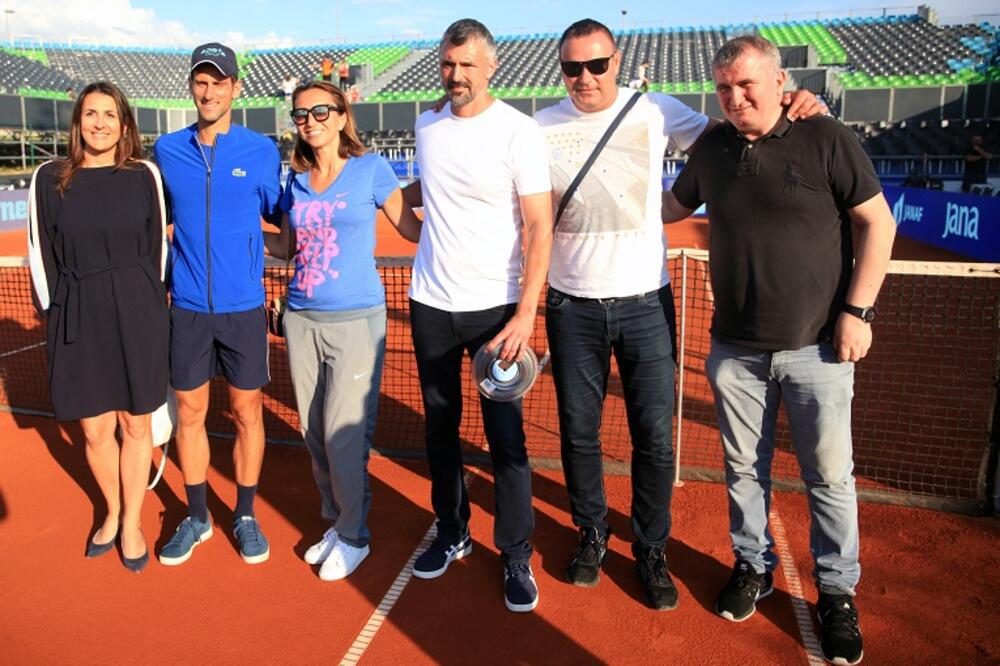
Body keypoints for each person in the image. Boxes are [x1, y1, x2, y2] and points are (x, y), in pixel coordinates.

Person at [534, 18, 826, 611]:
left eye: (595, 65)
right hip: (571, 303)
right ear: (559, 68)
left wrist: (795, 106)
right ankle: (592, 532)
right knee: (578, 432)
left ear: (616, 62)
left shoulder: (657, 110)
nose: (584, 78)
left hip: (645, 301)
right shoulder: (538, 126)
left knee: (655, 436)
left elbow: (738, 132)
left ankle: (650, 546)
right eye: (571, 67)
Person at [663, 35, 896, 665]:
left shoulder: (824, 136)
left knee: (828, 477)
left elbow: (878, 222)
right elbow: (667, 206)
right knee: (743, 470)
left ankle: (837, 592)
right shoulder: (711, 148)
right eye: (723, 88)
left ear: (778, 80)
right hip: (735, 351)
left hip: (818, 346)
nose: (736, 98)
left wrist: (857, 312)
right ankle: (752, 565)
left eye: (746, 84)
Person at [404, 18, 553, 613]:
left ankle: (515, 552)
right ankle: (453, 531)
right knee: (440, 430)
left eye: (467, 64)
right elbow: (427, 197)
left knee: (506, 438)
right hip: (431, 304)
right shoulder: (426, 123)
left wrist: (524, 315)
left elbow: (540, 226)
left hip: (496, 312)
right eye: (448, 63)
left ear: (491, 66)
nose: (456, 74)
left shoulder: (519, 131)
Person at [263, 81, 421, 581]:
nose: (310, 120)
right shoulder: (298, 180)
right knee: (313, 432)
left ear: (341, 114)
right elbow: (285, 249)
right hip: (301, 319)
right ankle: (338, 520)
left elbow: (412, 230)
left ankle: (355, 535)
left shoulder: (371, 170)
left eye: (320, 110)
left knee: (342, 434)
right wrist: (232, 235)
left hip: (357, 322)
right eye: (301, 114)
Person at [27, 81, 169, 574]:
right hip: (78, 311)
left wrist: (147, 301)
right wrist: (55, 313)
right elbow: (39, 254)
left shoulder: (144, 175)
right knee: (94, 428)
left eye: (110, 114)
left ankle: (131, 522)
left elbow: (158, 249)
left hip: (137, 309)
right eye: (91, 113)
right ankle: (110, 510)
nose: (100, 123)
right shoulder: (48, 179)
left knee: (136, 424)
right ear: (78, 122)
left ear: (124, 124)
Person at [153, 42, 282, 566]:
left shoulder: (260, 151)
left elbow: (283, 220)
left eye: (218, 81)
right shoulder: (167, 149)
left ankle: (246, 513)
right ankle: (198, 514)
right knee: (190, 412)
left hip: (244, 307)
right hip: (185, 306)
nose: (208, 91)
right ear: (192, 86)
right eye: (200, 81)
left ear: (235, 88)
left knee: (247, 410)